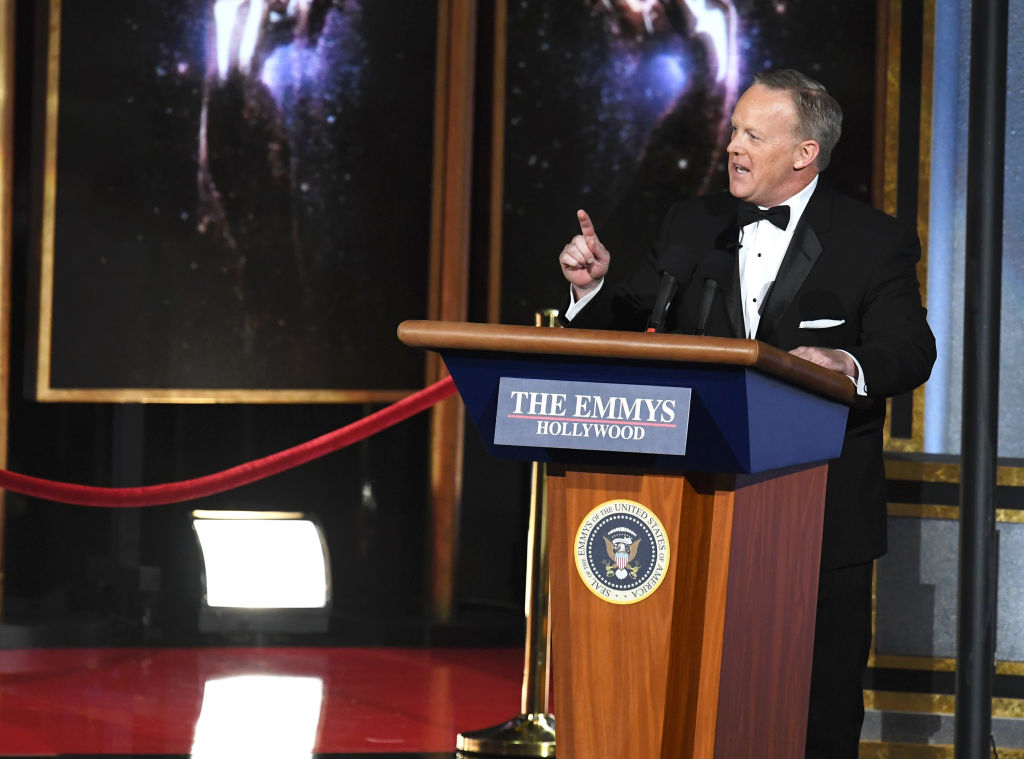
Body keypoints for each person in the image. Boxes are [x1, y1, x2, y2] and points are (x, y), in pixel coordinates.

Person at [557, 69, 936, 758]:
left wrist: (845, 366)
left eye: (753, 135)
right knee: (692, 700)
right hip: (690, 509)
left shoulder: (871, 240)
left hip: (821, 520)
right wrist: (592, 287)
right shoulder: (691, 223)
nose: (733, 145)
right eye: (734, 130)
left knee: (815, 716)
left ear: (803, 154)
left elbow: (909, 349)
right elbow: (629, 321)